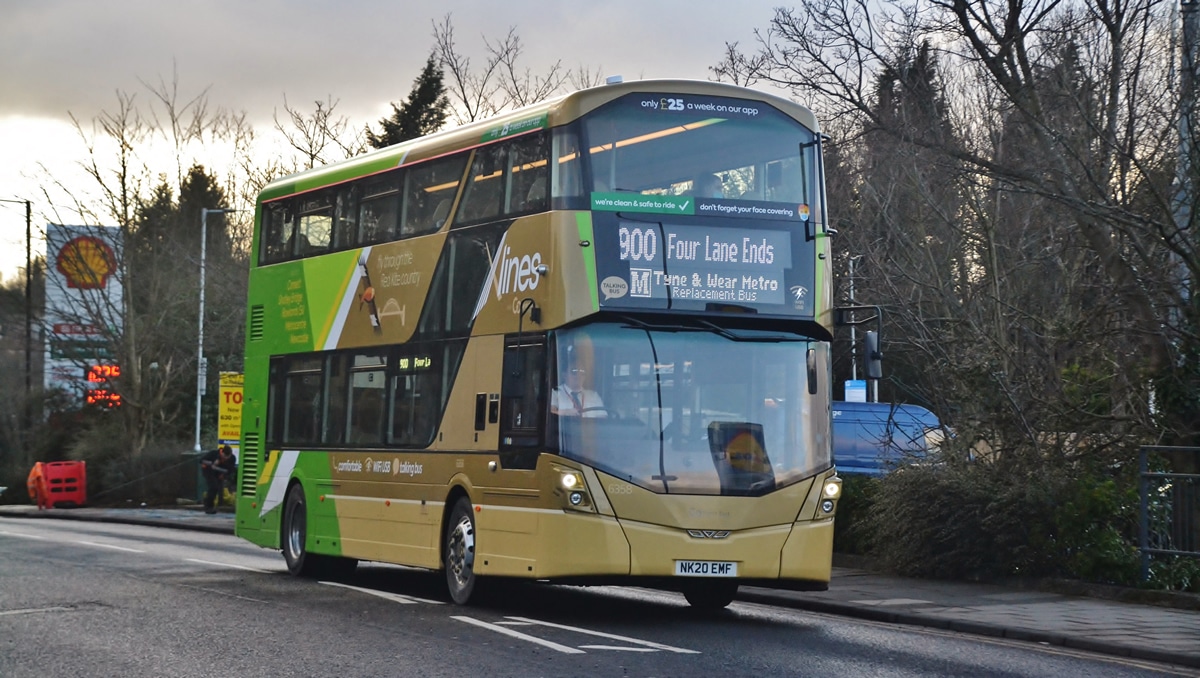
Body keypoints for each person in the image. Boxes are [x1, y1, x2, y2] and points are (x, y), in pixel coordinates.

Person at [200, 445, 237, 514]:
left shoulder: (232, 458)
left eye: (227, 457)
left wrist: (224, 475)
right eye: (224, 456)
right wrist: (211, 463)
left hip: (220, 473)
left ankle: (217, 503)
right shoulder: (213, 454)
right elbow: (201, 460)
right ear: (221, 452)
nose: (225, 458)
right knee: (213, 487)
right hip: (209, 471)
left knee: (219, 488)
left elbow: (231, 469)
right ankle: (208, 506)